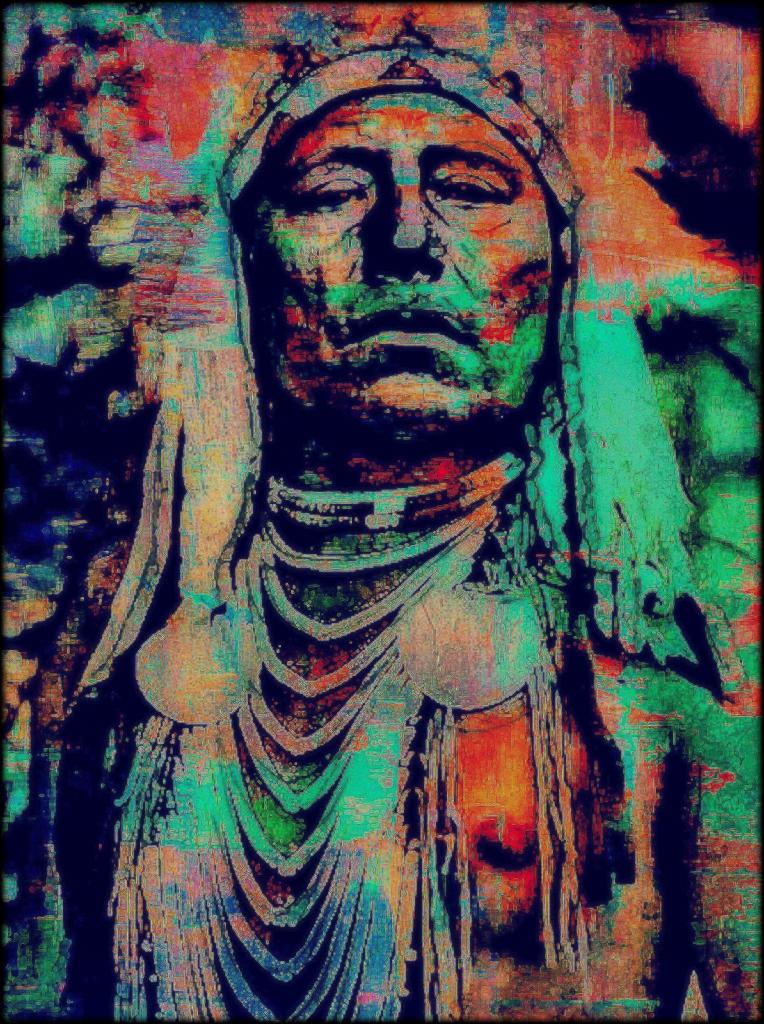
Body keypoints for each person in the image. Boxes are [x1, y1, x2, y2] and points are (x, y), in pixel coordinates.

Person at [58, 33, 754, 1021]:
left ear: (562, 273)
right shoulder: (123, 656)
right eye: (333, 191)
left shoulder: (648, 678)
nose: (407, 237)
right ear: (244, 273)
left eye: (469, 190)